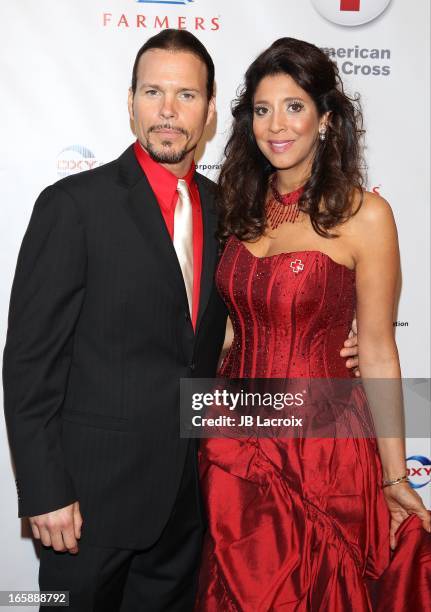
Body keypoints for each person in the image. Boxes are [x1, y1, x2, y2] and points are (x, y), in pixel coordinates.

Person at [2, 30, 358, 611]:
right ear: (130, 101)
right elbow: (28, 365)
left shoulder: (232, 212)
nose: (168, 110)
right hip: (88, 508)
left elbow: (256, 316)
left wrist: (344, 338)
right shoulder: (73, 206)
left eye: (186, 95)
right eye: (153, 92)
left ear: (211, 110)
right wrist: (44, 491)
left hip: (191, 505)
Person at [195, 38, 431, 611]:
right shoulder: (234, 205)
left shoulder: (364, 215)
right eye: (262, 108)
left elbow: (376, 351)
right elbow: (227, 330)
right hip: (232, 439)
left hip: (321, 449)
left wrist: (395, 477)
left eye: (294, 106)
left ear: (325, 118)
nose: (277, 124)